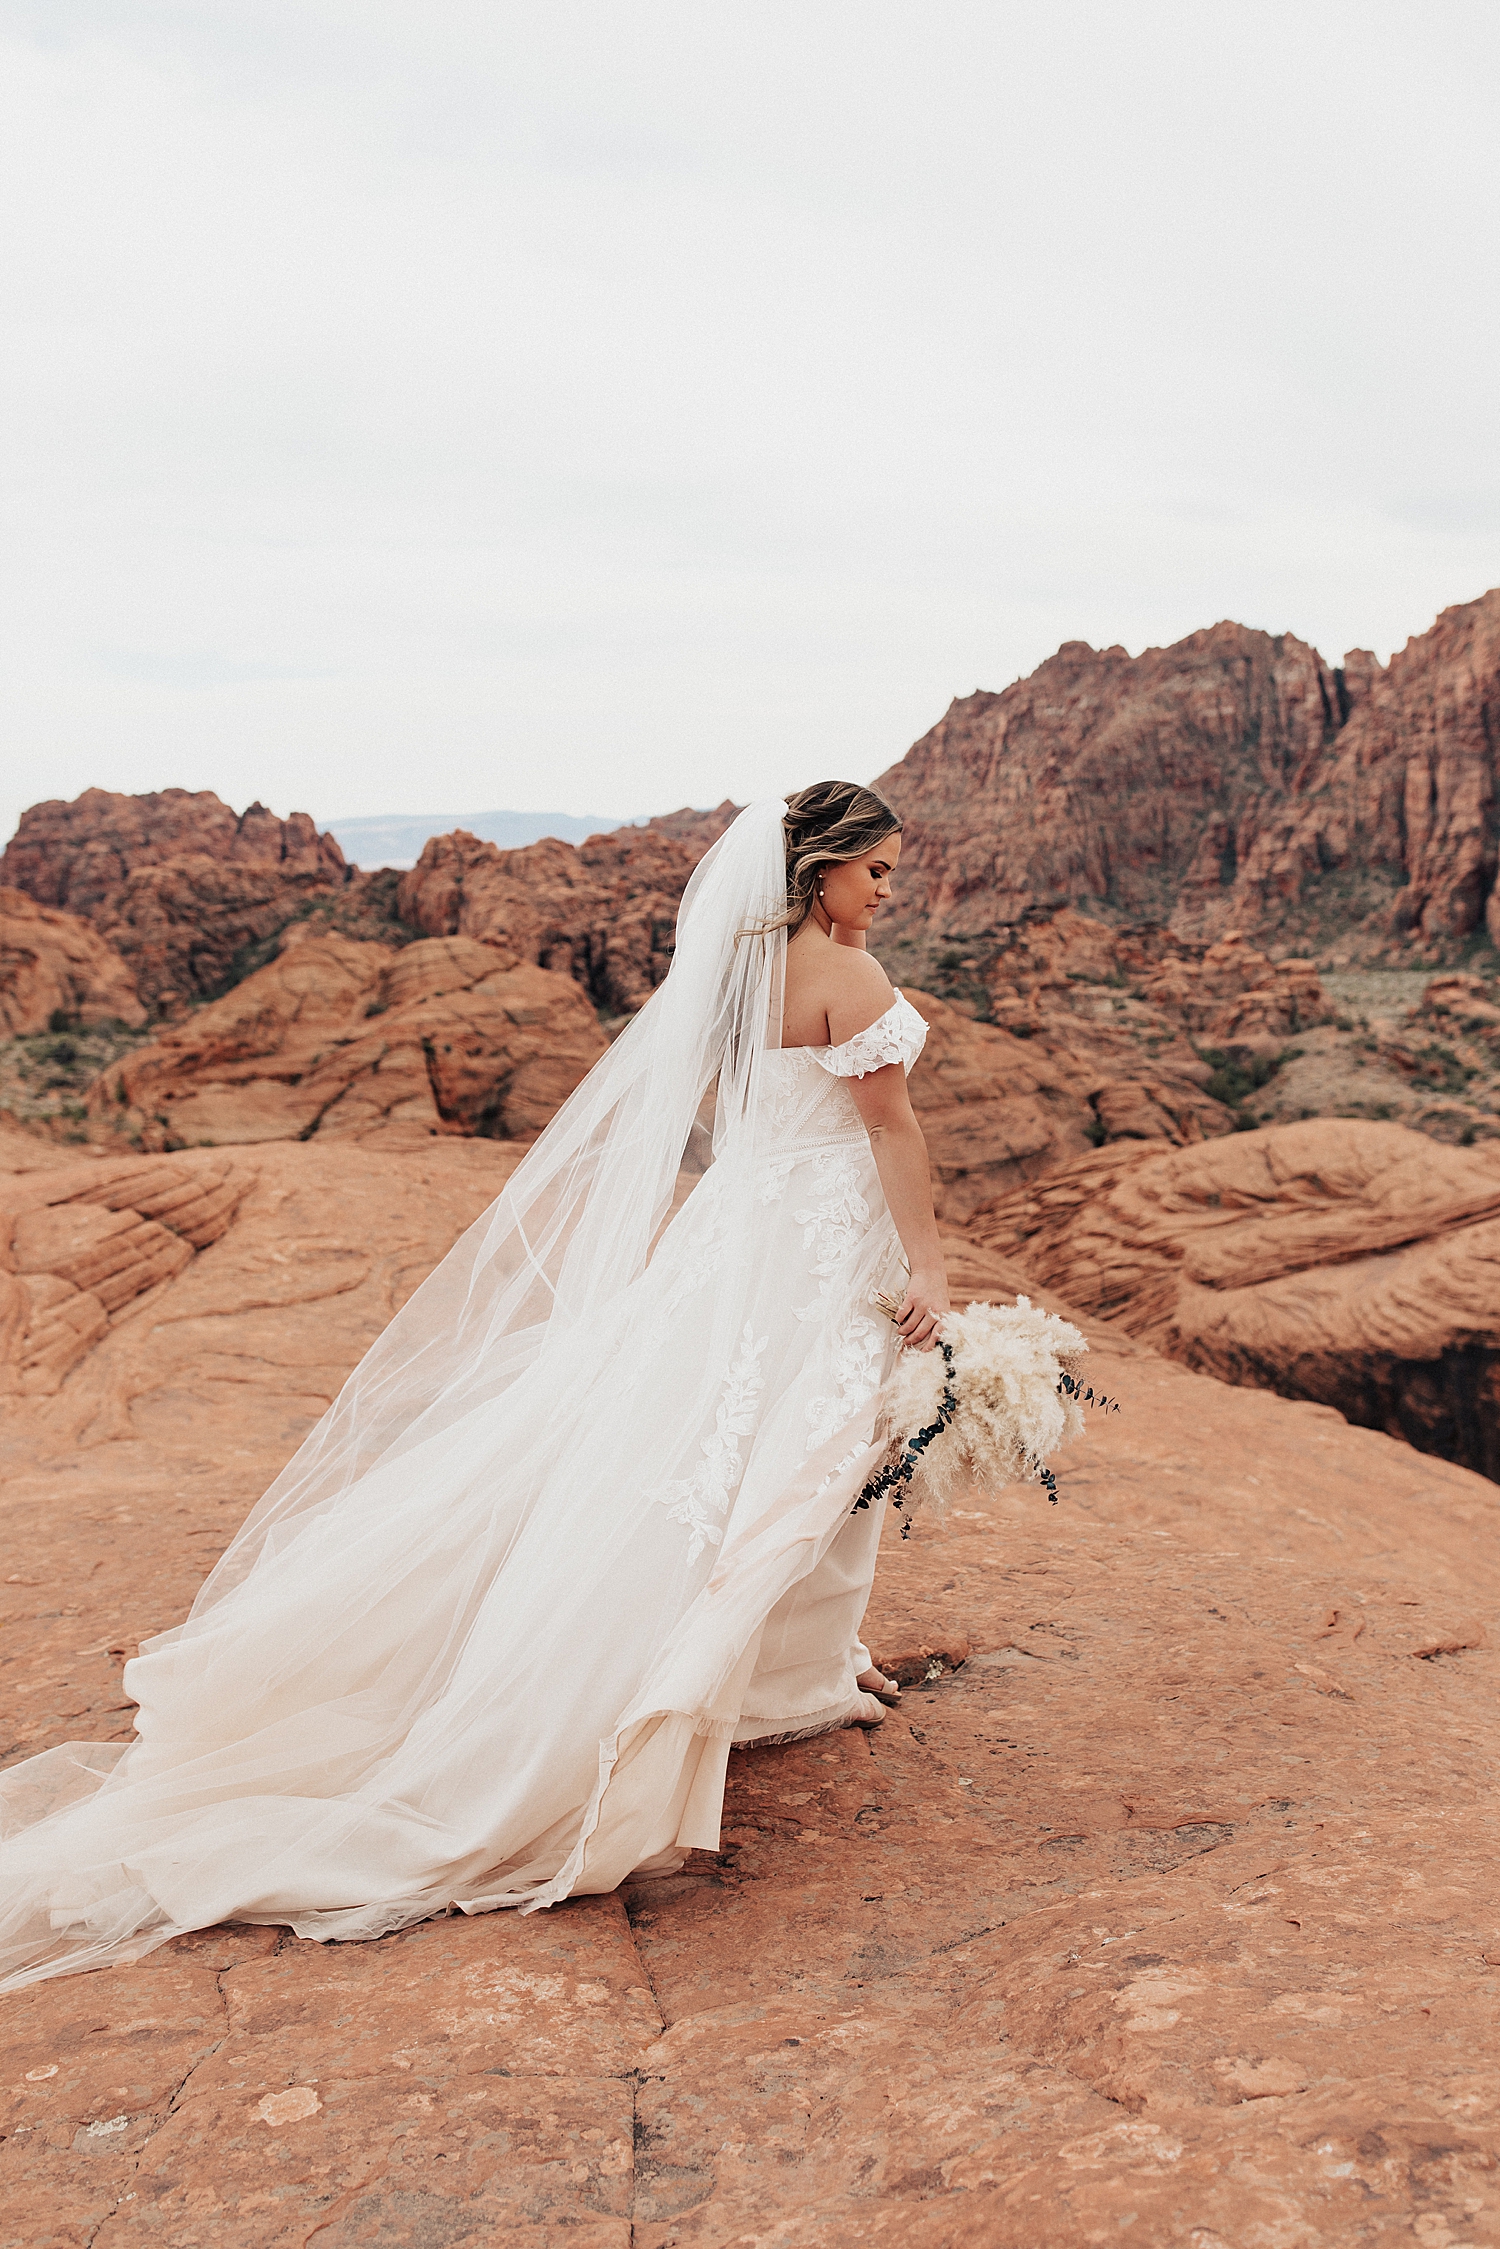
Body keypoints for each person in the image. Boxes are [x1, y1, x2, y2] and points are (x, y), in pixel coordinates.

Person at [0, 784, 949, 1990]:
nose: (886, 891)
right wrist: (928, 1264)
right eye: (875, 871)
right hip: (811, 1243)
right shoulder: (849, 981)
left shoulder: (736, 975)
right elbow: (892, 1131)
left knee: (717, 1453)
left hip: (736, 1234)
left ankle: (795, 1665)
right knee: (806, 1456)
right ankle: (762, 1678)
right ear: (819, 872)